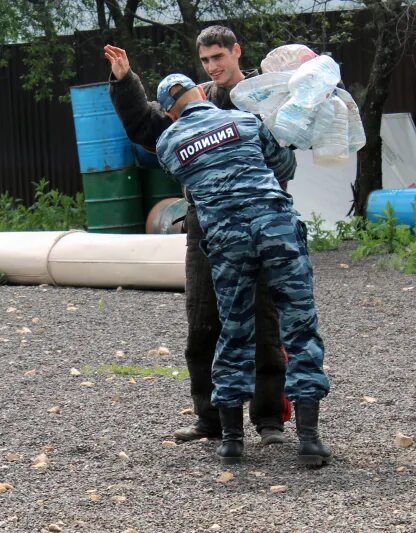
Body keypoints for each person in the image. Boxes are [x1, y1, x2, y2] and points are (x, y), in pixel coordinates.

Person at [104, 26, 294, 446]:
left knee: (264, 322)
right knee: (203, 321)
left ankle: (269, 420)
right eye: (206, 60)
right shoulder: (194, 97)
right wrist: (124, 81)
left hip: (259, 222)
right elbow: (148, 127)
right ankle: (210, 419)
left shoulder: (263, 100)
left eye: (218, 58)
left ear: (236, 53)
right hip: (205, 227)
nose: (213, 67)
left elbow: (283, 160)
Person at [153, 73, 331, 466]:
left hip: (227, 238)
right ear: (202, 93)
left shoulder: (168, 142)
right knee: (299, 326)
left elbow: (189, 180)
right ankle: (309, 441)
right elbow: (284, 165)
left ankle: (232, 441)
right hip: (275, 226)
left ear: (169, 112)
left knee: (233, 329)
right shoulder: (247, 121)